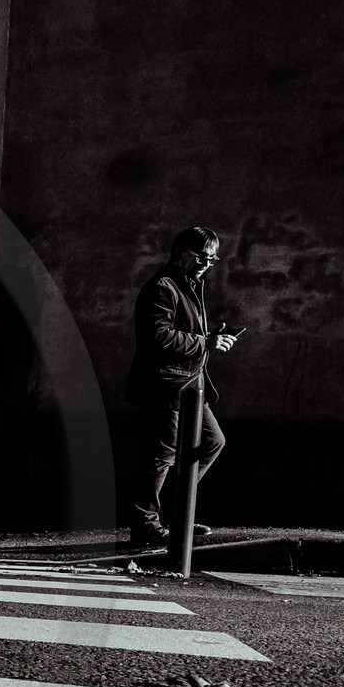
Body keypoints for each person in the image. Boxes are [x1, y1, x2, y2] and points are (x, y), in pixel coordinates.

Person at [124, 224, 238, 546]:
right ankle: (144, 523)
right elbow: (157, 336)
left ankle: (179, 514)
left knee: (213, 442)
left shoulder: (187, 285)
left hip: (189, 386)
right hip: (166, 386)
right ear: (179, 252)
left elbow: (181, 333)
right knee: (163, 454)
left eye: (212, 259)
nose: (206, 263)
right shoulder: (164, 287)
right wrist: (206, 342)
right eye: (202, 256)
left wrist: (207, 340)